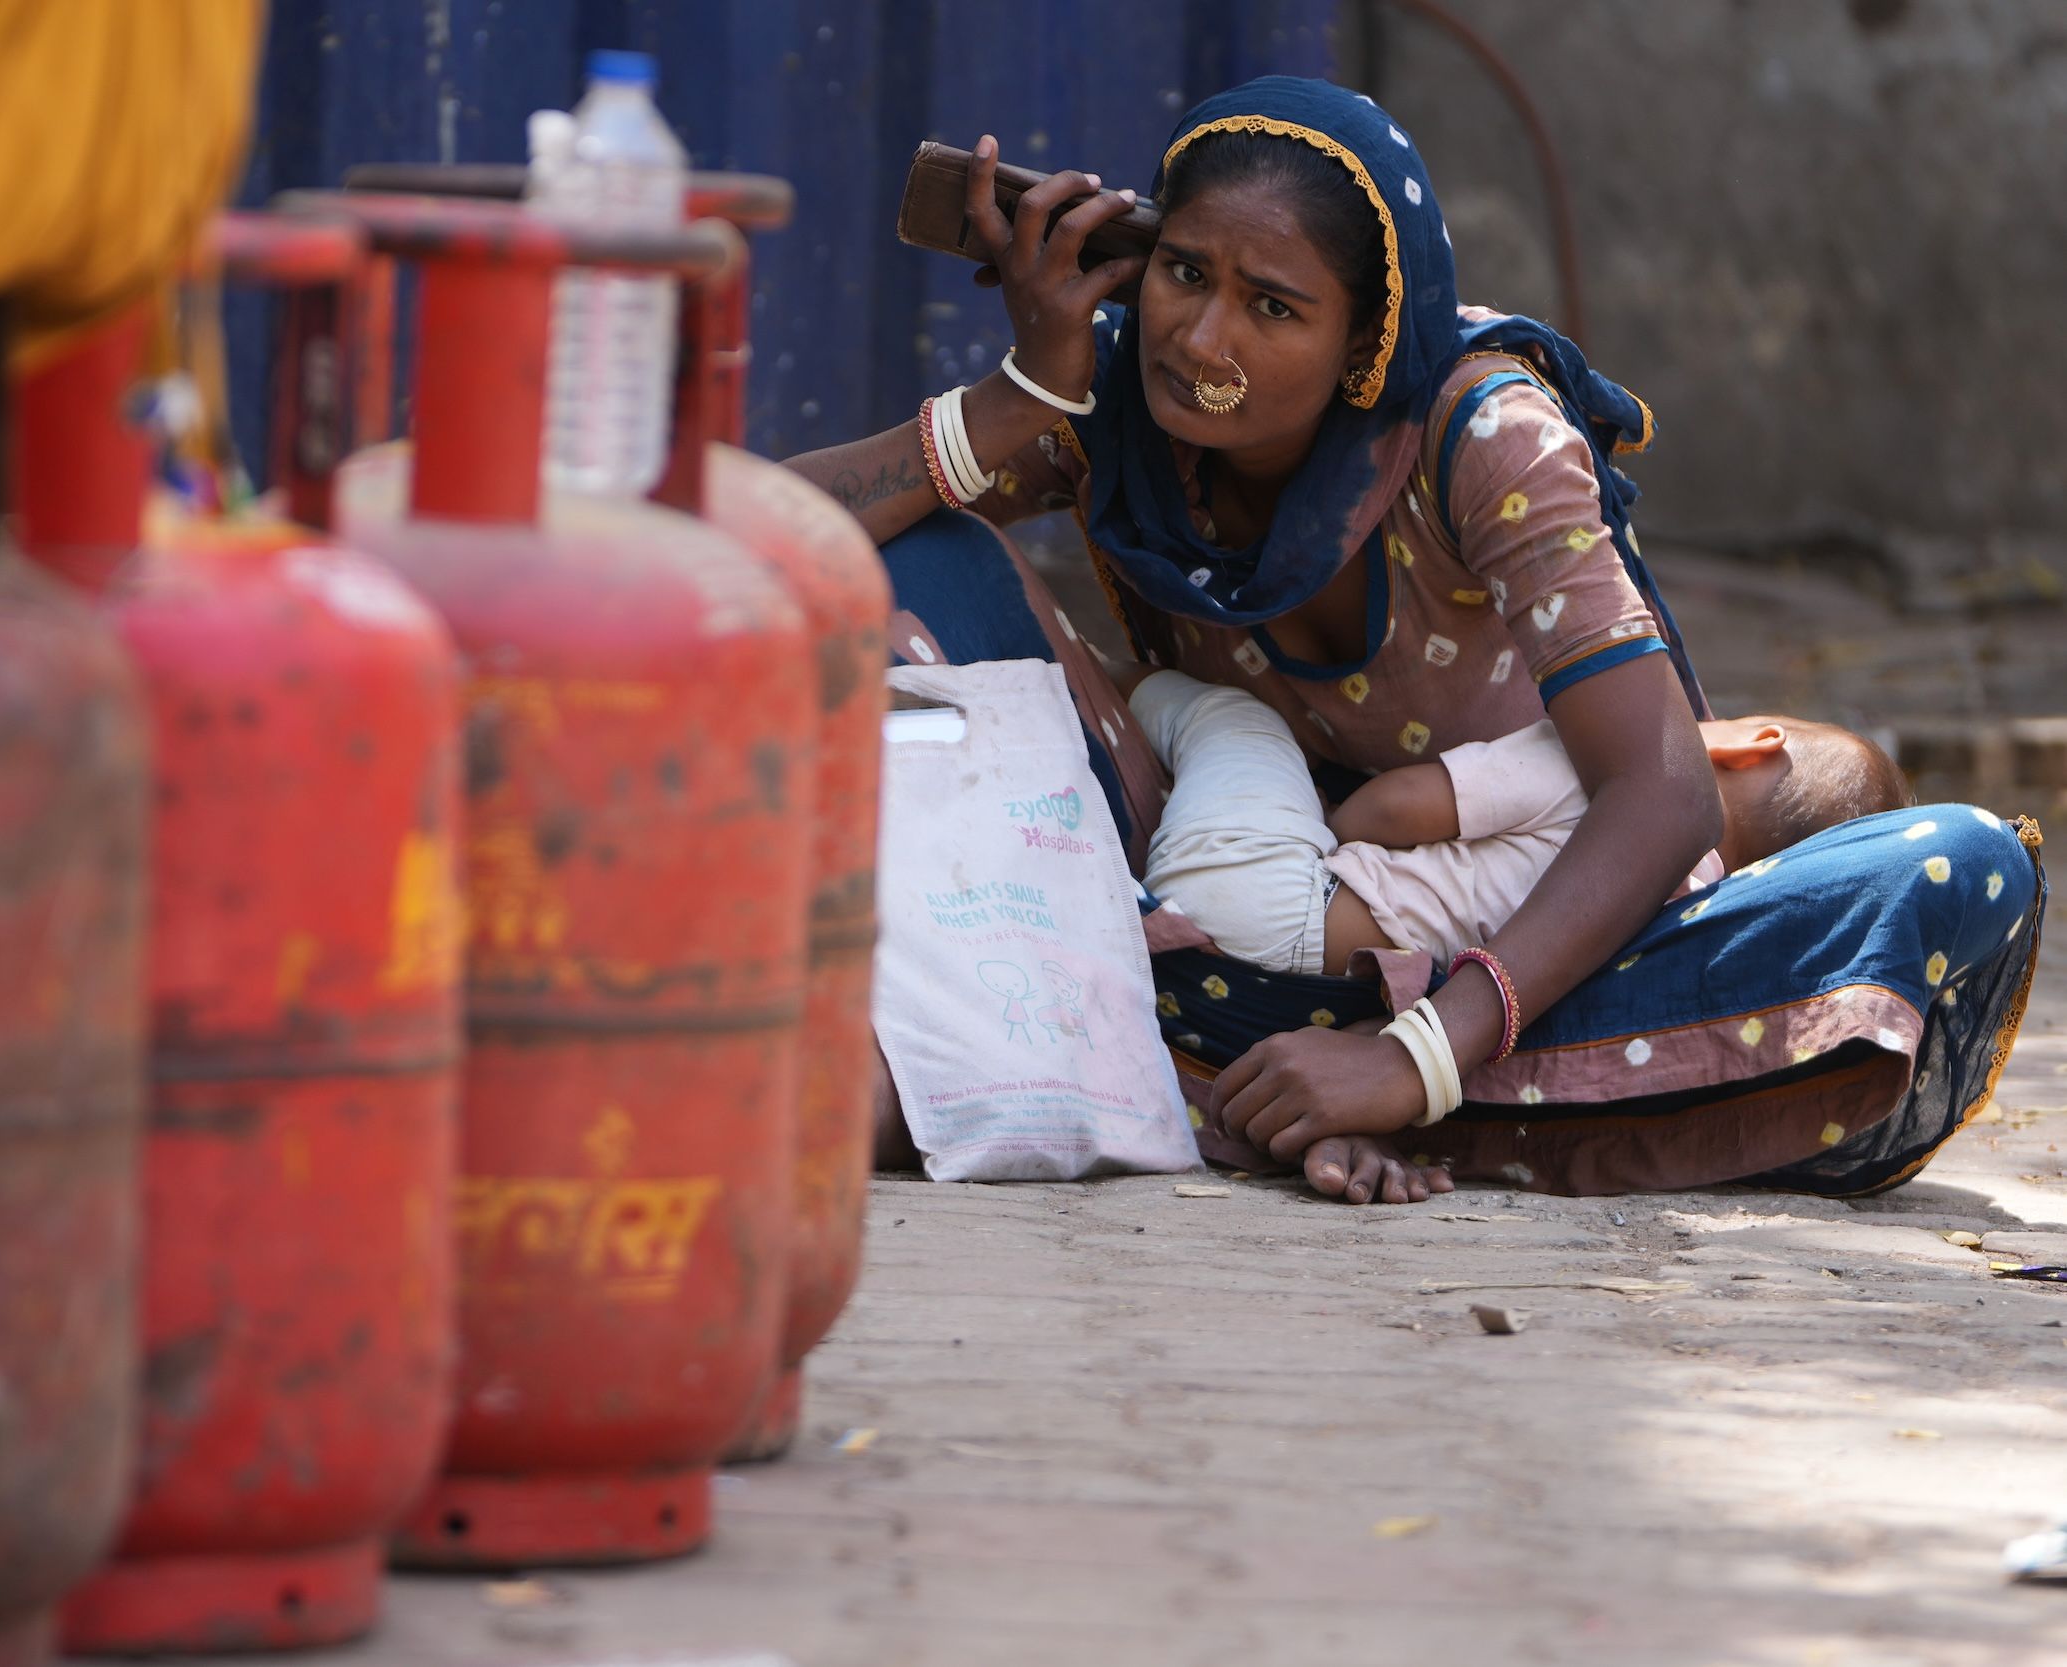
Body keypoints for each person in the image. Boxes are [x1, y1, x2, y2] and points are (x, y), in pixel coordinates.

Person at [792, 77, 2042, 1206]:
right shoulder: (1114, 401)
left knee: (1944, 857)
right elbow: (754, 533)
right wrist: (1023, 393)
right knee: (910, 553)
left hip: (1478, 959)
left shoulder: (1480, 434)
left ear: (1361, 350)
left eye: (1271, 306)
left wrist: (1411, 1059)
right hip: (1193, 881)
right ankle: (1242, 1072)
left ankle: (1175, 1061)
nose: (1202, 340)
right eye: (1181, 272)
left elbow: (1658, 793)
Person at [1126, 664, 1912, 978]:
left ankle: (1106, 685)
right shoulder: (1686, 909)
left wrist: (1328, 822)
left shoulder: (1610, 763)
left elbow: (1399, 806)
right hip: (1311, 974)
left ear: (1750, 741)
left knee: (1236, 719)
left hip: (1270, 890)